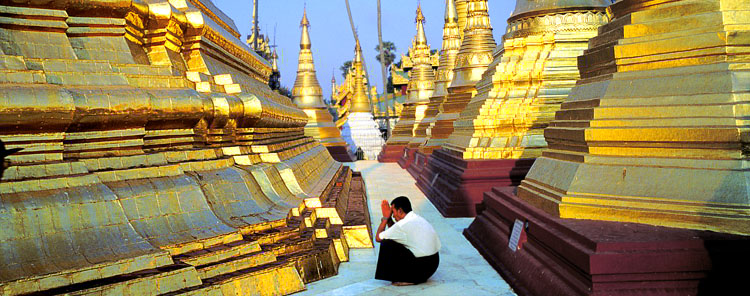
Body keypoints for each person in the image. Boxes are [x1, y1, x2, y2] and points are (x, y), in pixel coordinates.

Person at [374, 196, 440, 286]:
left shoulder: (402, 225)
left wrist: (385, 218)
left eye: (392, 212)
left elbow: (378, 238)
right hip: (433, 263)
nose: (392, 215)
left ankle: (409, 278)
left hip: (422, 270)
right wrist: (389, 220)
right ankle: (412, 276)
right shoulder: (416, 218)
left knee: (387, 243)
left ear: (400, 211)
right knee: (394, 240)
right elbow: (396, 232)